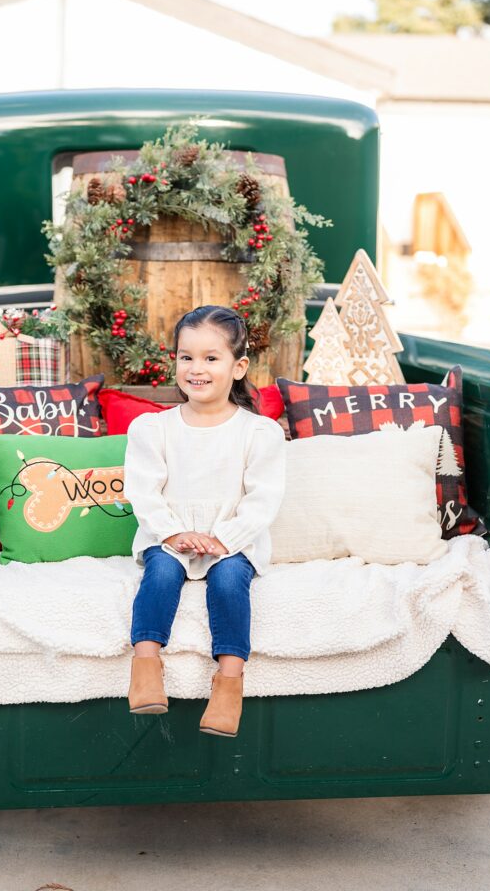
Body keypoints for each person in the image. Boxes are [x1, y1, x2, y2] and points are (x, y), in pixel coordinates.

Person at [123, 304, 287, 737]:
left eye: (211, 358)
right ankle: (145, 669)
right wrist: (174, 534)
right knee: (158, 573)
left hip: (231, 542)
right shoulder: (152, 428)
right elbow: (143, 490)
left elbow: (264, 499)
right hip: (170, 535)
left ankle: (228, 685)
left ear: (238, 367)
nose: (197, 368)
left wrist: (224, 539)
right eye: (186, 357)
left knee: (230, 581)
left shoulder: (258, 432)